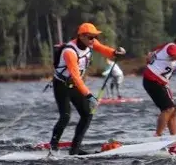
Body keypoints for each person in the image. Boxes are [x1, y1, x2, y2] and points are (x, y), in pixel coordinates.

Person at [49, 22, 125, 155]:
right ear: (81, 36)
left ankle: (75, 149)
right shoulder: (69, 52)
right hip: (62, 85)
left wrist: (115, 53)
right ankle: (53, 148)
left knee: (87, 115)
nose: (93, 40)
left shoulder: (91, 43)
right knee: (65, 116)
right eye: (90, 37)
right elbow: (76, 77)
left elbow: (104, 49)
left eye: (95, 37)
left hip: (75, 85)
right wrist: (89, 96)